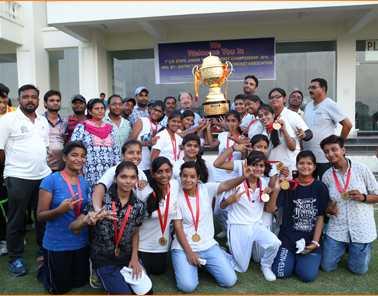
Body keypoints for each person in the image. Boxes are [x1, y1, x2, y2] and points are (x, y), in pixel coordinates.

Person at [69, 161, 153, 295]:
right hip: (103, 258)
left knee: (147, 293)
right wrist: (85, 220)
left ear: (137, 180)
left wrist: (134, 258)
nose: (128, 181)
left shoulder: (138, 205)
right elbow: (72, 226)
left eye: (132, 177)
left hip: (126, 257)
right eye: (123, 176)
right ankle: (97, 270)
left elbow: (135, 233)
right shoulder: (101, 201)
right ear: (115, 178)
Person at [172, 161, 248, 292]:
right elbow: (177, 227)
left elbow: (225, 185)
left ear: (198, 178)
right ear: (180, 176)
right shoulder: (176, 195)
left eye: (192, 176)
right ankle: (193, 263)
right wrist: (189, 253)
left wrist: (243, 177)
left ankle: (213, 256)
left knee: (229, 280)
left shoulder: (206, 188)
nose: (188, 180)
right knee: (187, 287)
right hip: (184, 247)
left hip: (207, 245)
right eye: (184, 176)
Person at [0, 84, 51, 276]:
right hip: (18, 176)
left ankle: (42, 250)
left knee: (42, 217)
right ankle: (15, 259)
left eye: (33, 97)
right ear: (19, 99)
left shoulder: (42, 121)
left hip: (43, 176)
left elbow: (44, 148)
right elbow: (0, 150)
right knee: (16, 219)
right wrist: (12, 168)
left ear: (39, 100)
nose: (30, 100)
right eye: (25, 97)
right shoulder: (8, 119)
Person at [36, 141, 90, 294]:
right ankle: (43, 266)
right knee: (60, 288)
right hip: (57, 242)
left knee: (79, 282)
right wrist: (60, 210)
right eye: (74, 155)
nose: (79, 159)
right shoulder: (50, 181)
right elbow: (40, 216)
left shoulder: (83, 182)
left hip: (81, 241)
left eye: (83, 156)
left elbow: (83, 208)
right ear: (65, 157)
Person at [266, 150, 329, 282]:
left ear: (315, 166)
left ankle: (302, 260)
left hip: (309, 239)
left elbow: (320, 217)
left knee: (307, 276)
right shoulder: (288, 185)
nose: (305, 166)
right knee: (281, 272)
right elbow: (270, 209)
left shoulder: (321, 187)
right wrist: (276, 190)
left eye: (309, 163)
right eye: (301, 163)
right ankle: (291, 257)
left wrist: (315, 242)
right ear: (296, 165)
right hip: (288, 238)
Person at [319, 135, 378, 275]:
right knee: (327, 267)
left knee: (359, 270)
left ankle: (358, 247)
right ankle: (344, 247)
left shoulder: (361, 169)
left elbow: (376, 195)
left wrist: (363, 197)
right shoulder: (326, 176)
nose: (330, 154)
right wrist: (329, 211)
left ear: (343, 150)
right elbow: (326, 205)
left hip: (361, 230)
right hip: (337, 230)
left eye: (334, 149)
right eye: (326, 151)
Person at [220, 152, 281, 280]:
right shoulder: (237, 182)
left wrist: (273, 192)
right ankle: (218, 252)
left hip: (256, 225)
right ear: (247, 165)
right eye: (254, 165)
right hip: (238, 226)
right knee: (242, 267)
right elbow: (221, 206)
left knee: (274, 242)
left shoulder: (264, 183)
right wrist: (228, 201)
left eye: (261, 165)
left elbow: (268, 209)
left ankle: (266, 266)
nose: (258, 169)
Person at [136, 157, 180, 275]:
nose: (164, 175)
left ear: (172, 171)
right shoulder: (143, 191)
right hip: (142, 244)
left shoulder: (175, 185)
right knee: (144, 273)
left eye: (167, 171)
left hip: (162, 244)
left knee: (158, 271)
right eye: (159, 172)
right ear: (152, 174)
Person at [303, 78, 353, 180]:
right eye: (309, 87)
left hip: (324, 158)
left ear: (323, 89)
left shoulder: (330, 104)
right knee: (309, 186)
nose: (310, 90)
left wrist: (338, 144)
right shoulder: (308, 106)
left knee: (326, 187)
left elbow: (347, 125)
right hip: (308, 157)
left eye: (313, 87)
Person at [70, 98, 121, 194]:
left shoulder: (109, 128)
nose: (100, 111)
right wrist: (78, 170)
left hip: (108, 170)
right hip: (88, 171)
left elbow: (115, 151)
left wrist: (117, 169)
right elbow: (74, 148)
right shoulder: (82, 126)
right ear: (89, 111)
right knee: (89, 196)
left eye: (102, 108)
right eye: (96, 108)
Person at [267, 88, 312, 177]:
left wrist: (303, 135)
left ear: (284, 99)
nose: (274, 99)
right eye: (271, 97)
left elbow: (309, 134)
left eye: (277, 96)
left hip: (289, 163)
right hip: (270, 161)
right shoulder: (266, 116)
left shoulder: (291, 115)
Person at [130, 101, 165, 180]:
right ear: (150, 110)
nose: (156, 112)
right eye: (154, 109)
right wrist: (147, 143)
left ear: (162, 114)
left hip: (151, 166)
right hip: (139, 165)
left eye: (159, 111)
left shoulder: (160, 127)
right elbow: (131, 141)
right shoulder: (142, 121)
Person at [42, 90, 68, 172]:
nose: (55, 103)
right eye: (52, 100)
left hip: (60, 167)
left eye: (58, 100)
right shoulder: (39, 120)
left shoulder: (64, 122)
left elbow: (63, 141)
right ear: (45, 103)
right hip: (42, 167)